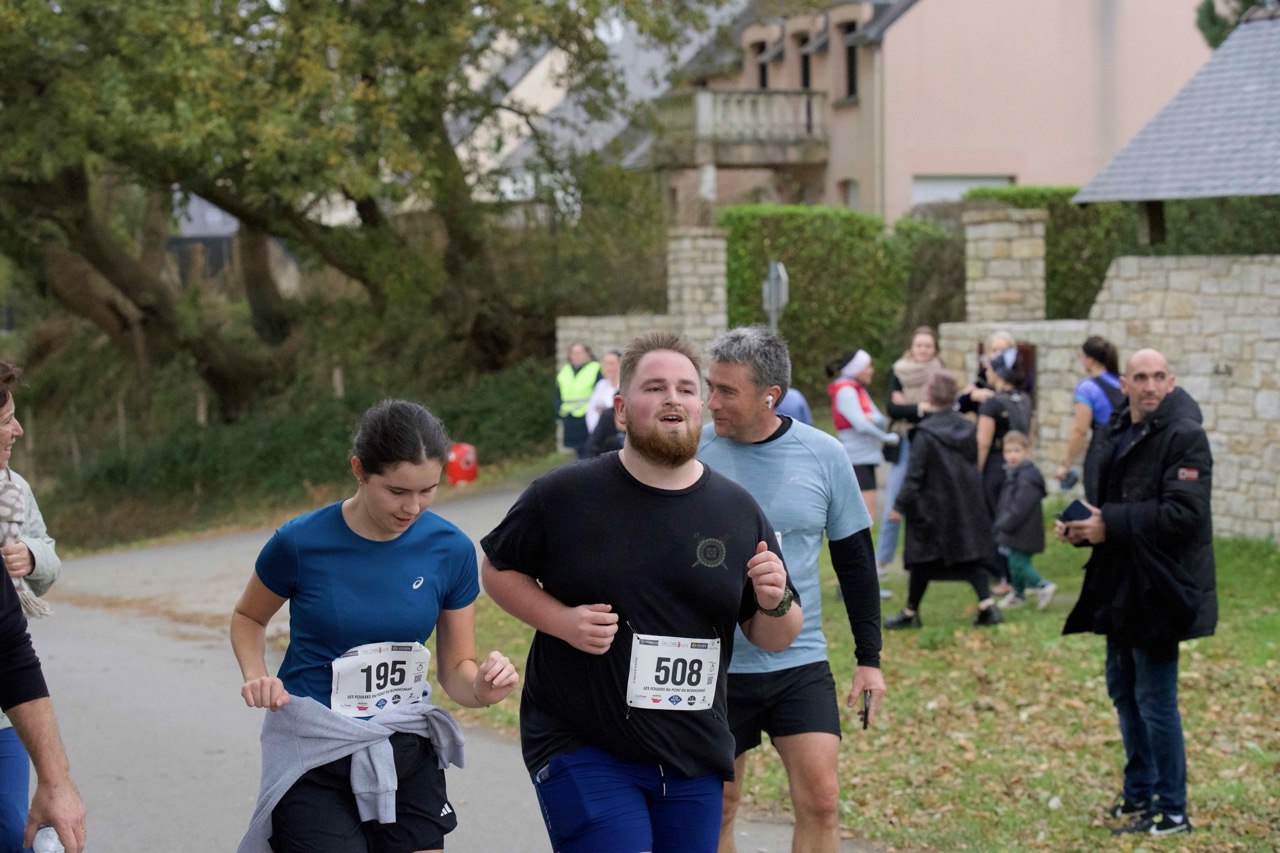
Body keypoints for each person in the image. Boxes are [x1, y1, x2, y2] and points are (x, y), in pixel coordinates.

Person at [481, 331, 803, 853]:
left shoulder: (737, 510)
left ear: (700, 407)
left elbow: (775, 636)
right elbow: (497, 568)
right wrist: (562, 621)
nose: (673, 398)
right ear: (622, 410)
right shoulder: (564, 494)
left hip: (692, 751)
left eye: (686, 388)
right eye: (655, 387)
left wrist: (775, 600)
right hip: (582, 742)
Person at [230, 399, 519, 853]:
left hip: (402, 743)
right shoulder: (299, 543)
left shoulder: (450, 549)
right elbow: (248, 617)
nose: (413, 507)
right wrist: (255, 674)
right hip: (316, 748)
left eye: (428, 490)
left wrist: (483, 687)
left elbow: (456, 669)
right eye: (397, 491)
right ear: (359, 470)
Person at [697, 326, 886, 853]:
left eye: (726, 391)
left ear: (769, 396)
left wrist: (869, 659)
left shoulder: (824, 454)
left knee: (822, 801)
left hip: (798, 661)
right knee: (718, 807)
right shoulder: (692, 450)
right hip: (713, 666)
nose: (711, 402)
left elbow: (856, 563)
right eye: (709, 387)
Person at [1059, 349, 1215, 838]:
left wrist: (1109, 524)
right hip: (1119, 582)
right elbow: (1105, 502)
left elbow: (1184, 515)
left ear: (1171, 381)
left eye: (1158, 376)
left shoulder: (1185, 435)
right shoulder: (1116, 429)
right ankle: (1139, 791)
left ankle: (1172, 811)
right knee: (1123, 691)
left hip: (1161, 585)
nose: (1150, 385)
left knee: (1155, 700)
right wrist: (1081, 526)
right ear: (1124, 383)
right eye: (1140, 377)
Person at [0, 362, 64, 853]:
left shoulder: (16, 491)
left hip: (5, 711)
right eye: (7, 420)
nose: (18, 429)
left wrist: (33, 556)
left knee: (10, 832)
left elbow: (49, 555)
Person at [884, 371, 1003, 629]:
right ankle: (987, 605)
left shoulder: (924, 433)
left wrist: (899, 505)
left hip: (931, 506)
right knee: (967, 554)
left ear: (929, 395)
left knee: (923, 557)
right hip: (964, 503)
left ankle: (911, 613)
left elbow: (914, 475)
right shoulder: (967, 428)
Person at [876, 327, 944, 574]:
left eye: (928, 346)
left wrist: (910, 407)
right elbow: (893, 409)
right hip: (906, 443)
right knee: (894, 500)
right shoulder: (899, 371)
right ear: (912, 348)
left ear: (934, 349)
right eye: (919, 345)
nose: (923, 350)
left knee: (932, 501)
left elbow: (941, 408)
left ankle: (932, 558)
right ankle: (882, 561)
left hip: (933, 441)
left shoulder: (940, 373)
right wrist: (921, 407)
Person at [825, 349, 899, 519]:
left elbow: (881, 420)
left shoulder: (858, 389)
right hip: (856, 459)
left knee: (867, 516)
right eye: (868, 366)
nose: (871, 370)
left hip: (866, 458)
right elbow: (861, 425)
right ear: (856, 369)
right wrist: (886, 438)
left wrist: (871, 418)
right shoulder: (846, 391)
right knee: (866, 517)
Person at [1053, 336, 1124, 502]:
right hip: (1125, 449)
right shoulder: (1122, 382)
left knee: (1096, 503)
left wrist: (1066, 464)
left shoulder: (1087, 388)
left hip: (1102, 453)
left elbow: (1080, 430)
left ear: (1089, 359)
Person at [991, 431, 1054, 610]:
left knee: (1019, 563)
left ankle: (1043, 585)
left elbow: (1020, 507)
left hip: (1024, 529)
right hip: (1016, 530)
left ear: (1027, 452)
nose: (1012, 455)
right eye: (1008, 451)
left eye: (1017, 451)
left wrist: (1004, 523)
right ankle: (1018, 594)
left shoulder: (1027, 477)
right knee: (1013, 563)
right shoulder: (1014, 474)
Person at [556, 342, 602, 459]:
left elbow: (601, 392)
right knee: (578, 452)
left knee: (590, 451)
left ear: (588, 354)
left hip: (588, 416)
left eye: (578, 353)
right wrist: (558, 411)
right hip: (569, 417)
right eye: (572, 353)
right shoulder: (565, 370)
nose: (575, 356)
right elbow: (557, 393)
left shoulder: (596, 368)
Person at [584, 349, 621, 435]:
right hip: (600, 434)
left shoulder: (627, 386)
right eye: (605, 364)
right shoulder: (600, 385)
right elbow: (591, 410)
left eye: (612, 364)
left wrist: (604, 411)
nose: (608, 368)